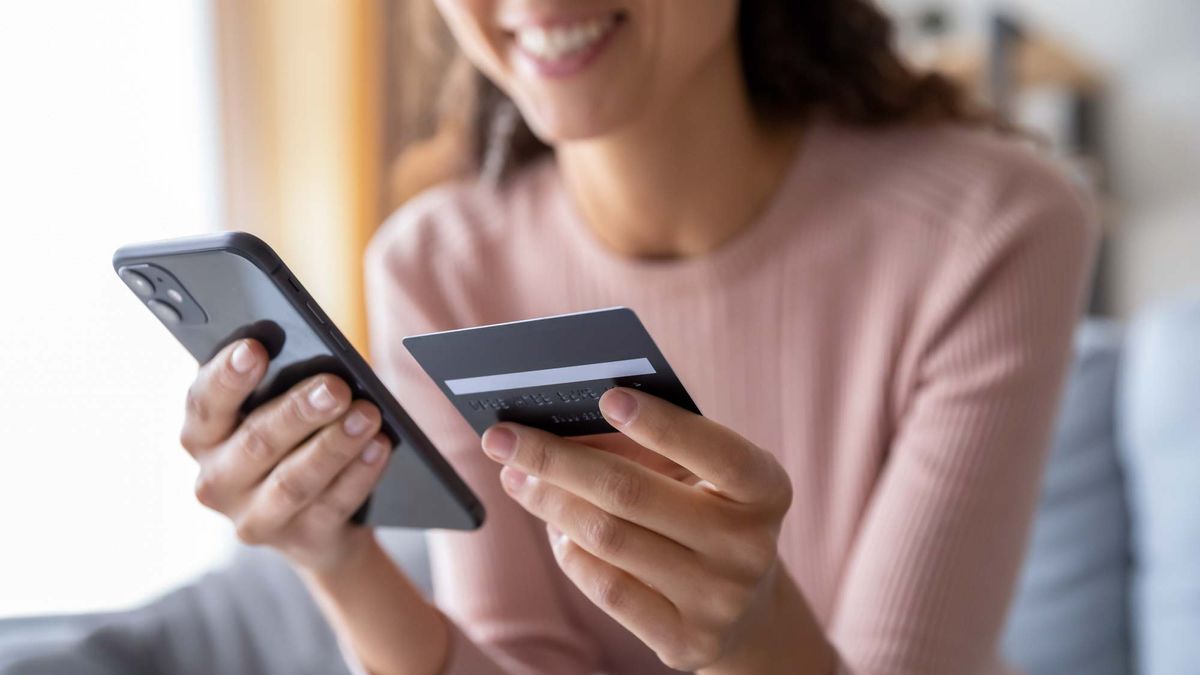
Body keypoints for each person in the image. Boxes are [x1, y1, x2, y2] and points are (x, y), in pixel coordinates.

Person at [178, 1, 1096, 673]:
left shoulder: (994, 228)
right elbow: (522, 658)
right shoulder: (436, 264)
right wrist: (336, 560)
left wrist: (755, 636)